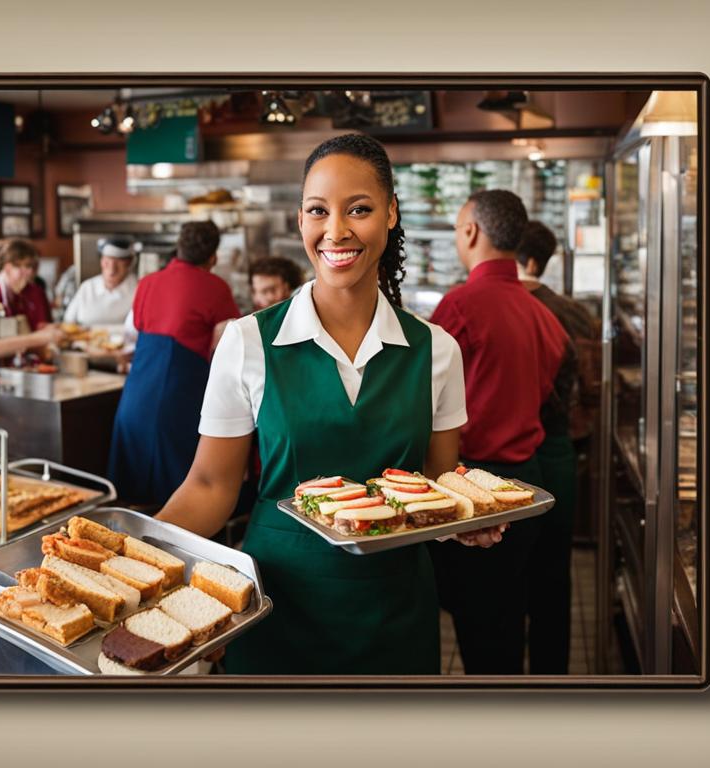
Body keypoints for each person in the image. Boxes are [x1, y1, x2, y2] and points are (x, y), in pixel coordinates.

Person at [155, 134, 504, 675]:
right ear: (301, 221)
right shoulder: (247, 342)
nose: (336, 231)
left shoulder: (438, 351)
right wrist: (140, 557)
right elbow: (209, 486)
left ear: (390, 214)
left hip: (396, 609)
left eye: (359, 210)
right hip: (275, 604)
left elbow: (438, 481)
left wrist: (466, 520)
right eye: (318, 211)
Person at [428, 190, 570, 675]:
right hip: (527, 483)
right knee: (508, 612)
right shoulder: (544, 315)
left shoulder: (461, 305)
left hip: (476, 486)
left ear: (470, 232)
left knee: (482, 627)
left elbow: (426, 397)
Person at [108, 222, 240, 507]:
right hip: (180, 400)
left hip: (136, 398)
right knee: (179, 494)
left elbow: (130, 337)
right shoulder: (215, 287)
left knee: (132, 493)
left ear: (177, 249)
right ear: (213, 257)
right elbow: (232, 343)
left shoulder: (148, 282)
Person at [516, 221, 598, 674]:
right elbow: (589, 390)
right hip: (558, 446)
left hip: (498, 456)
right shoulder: (575, 313)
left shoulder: (488, 304)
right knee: (553, 574)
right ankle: (552, 676)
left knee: (504, 574)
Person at [0, 238, 64, 360]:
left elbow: (43, 324)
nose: (29, 272)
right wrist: (40, 337)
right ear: (8, 268)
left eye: (31, 267)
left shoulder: (36, 292)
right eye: (24, 266)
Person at [63, 237, 139, 327]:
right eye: (107, 262)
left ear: (128, 264)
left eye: (118, 263)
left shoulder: (138, 288)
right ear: (101, 261)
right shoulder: (87, 287)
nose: (112, 269)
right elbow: (68, 321)